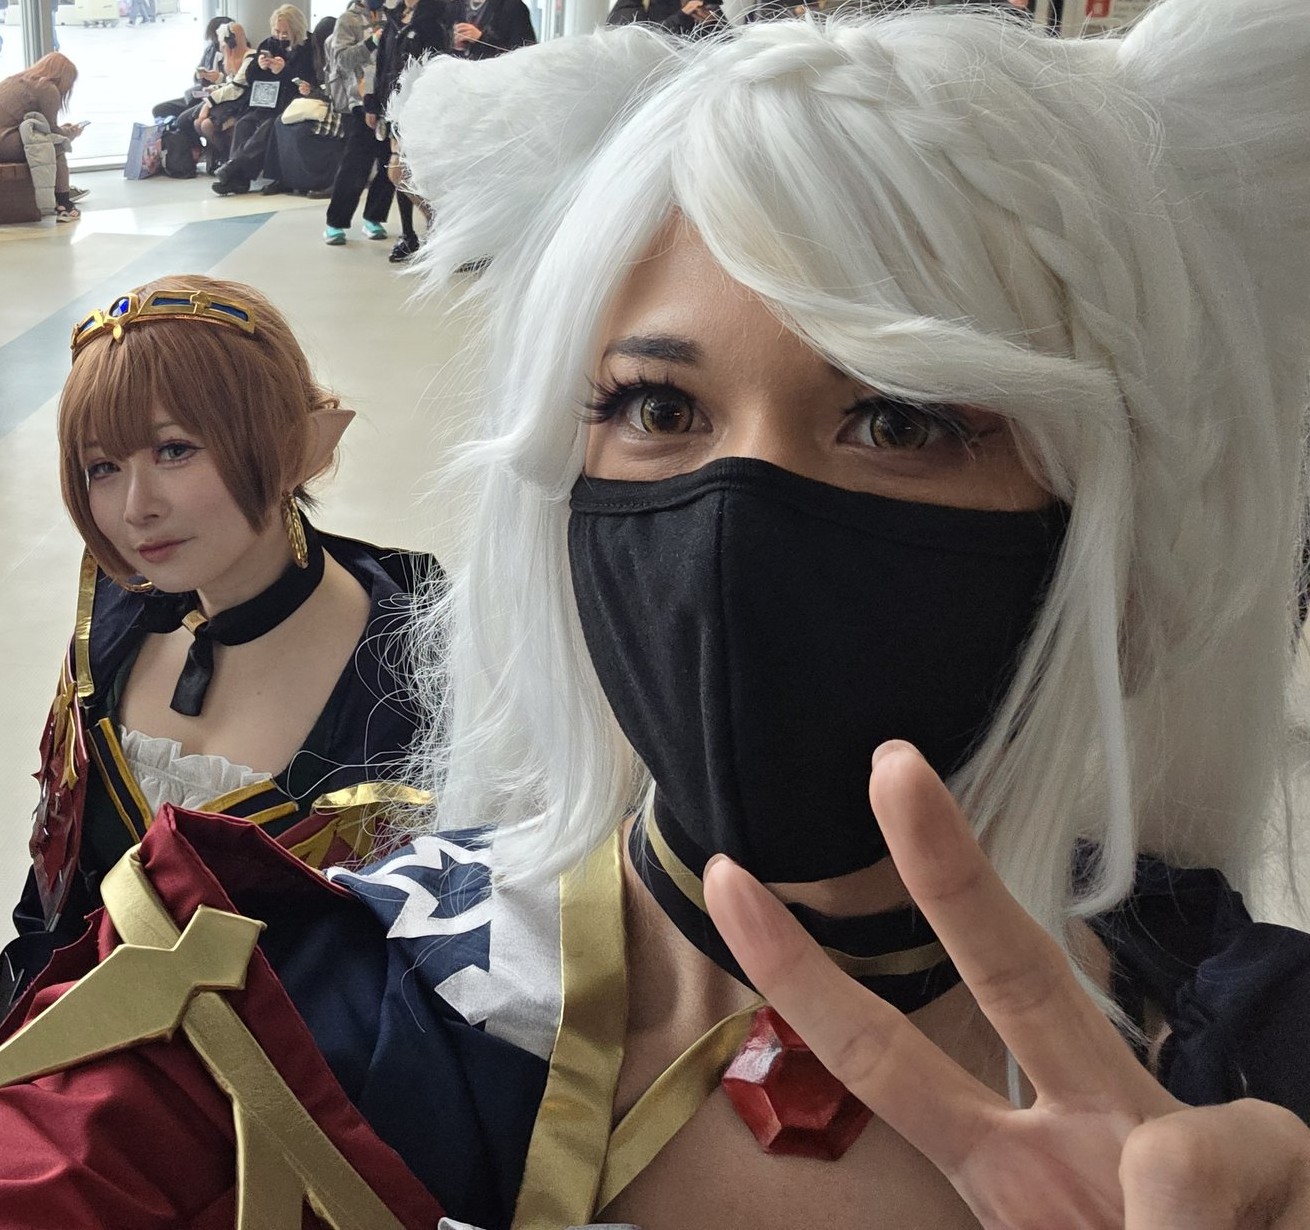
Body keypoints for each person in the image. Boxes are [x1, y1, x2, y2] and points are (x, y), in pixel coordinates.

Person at [4, 3, 1310, 1226]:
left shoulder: (1254, 1048)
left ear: (1090, 507)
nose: (739, 524)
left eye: (897, 419)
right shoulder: (334, 1011)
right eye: (658, 408)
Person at [0, 273, 436, 1013]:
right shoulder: (107, 633)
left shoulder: (418, 664)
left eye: (174, 449)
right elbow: (54, 910)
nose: (136, 508)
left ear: (292, 445)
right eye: (103, 467)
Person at [366, 0, 448, 261]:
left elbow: (440, 63)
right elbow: (381, 64)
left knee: (406, 171)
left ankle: (437, 226)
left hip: (423, 107)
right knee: (399, 171)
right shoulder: (394, 18)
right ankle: (410, 233)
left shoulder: (436, 17)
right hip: (394, 106)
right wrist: (373, 102)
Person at [213, 4, 319, 195]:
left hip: (290, 103)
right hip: (266, 101)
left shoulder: (308, 47)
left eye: (285, 32)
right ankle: (238, 179)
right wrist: (259, 66)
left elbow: (306, 80)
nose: (280, 36)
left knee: (269, 126)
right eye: (277, 31)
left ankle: (233, 168)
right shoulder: (268, 44)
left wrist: (284, 71)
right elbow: (251, 78)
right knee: (244, 123)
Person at [322, 0, 394, 245]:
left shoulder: (392, 16)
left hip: (389, 99)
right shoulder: (348, 20)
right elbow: (342, 59)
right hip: (358, 101)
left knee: (388, 163)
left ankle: (374, 217)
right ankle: (335, 223)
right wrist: (371, 41)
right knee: (355, 166)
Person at [260, 16, 346, 196]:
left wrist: (318, 93)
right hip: (324, 103)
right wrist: (312, 90)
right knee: (280, 123)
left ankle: (322, 181)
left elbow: (340, 91)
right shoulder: (322, 58)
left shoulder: (343, 57)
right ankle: (283, 178)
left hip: (341, 109)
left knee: (302, 130)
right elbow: (325, 87)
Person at [0, 52, 83, 222]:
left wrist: (63, 130)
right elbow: (52, 131)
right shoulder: (47, 88)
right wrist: (71, 133)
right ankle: (63, 202)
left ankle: (58, 197)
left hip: (5, 138)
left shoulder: (14, 80)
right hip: (5, 141)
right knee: (57, 145)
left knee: (50, 141)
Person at [195, 21, 254, 172]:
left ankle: (227, 159)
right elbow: (229, 82)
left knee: (206, 125)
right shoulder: (234, 59)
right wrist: (215, 84)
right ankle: (222, 157)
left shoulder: (250, 58)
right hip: (232, 102)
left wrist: (208, 102)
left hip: (244, 105)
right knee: (198, 123)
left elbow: (236, 88)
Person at [152, 15, 231, 123]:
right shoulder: (210, 49)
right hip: (201, 93)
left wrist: (219, 78)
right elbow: (198, 75)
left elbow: (235, 84)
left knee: (184, 119)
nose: (214, 41)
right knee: (159, 110)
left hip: (216, 97)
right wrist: (200, 75)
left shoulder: (233, 53)